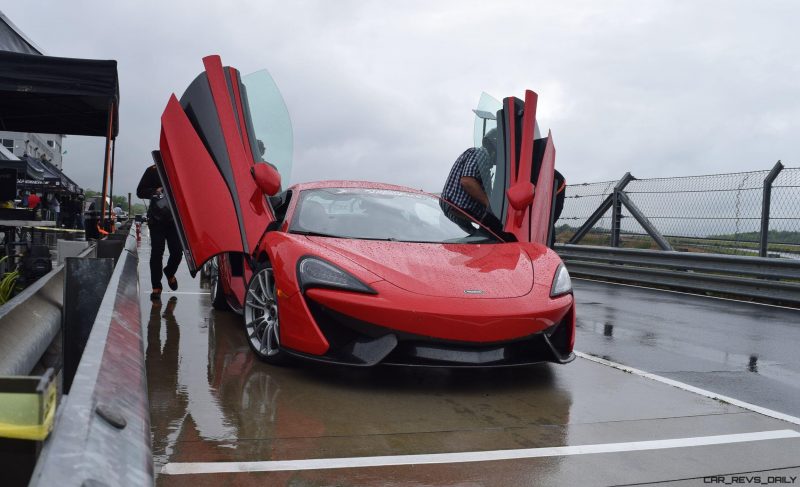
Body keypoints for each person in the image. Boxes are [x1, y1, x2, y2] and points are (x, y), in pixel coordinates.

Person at [440, 128, 514, 241]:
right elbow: (467, 181)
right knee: (500, 238)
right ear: (496, 149)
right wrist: (489, 204)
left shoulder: (482, 162)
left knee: (482, 241)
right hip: (458, 207)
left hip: (457, 209)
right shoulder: (482, 154)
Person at [137, 164, 182, 300]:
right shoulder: (152, 170)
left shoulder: (180, 166)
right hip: (156, 219)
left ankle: (170, 272)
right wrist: (154, 191)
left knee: (177, 252)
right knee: (157, 252)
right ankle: (156, 287)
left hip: (174, 219)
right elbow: (140, 192)